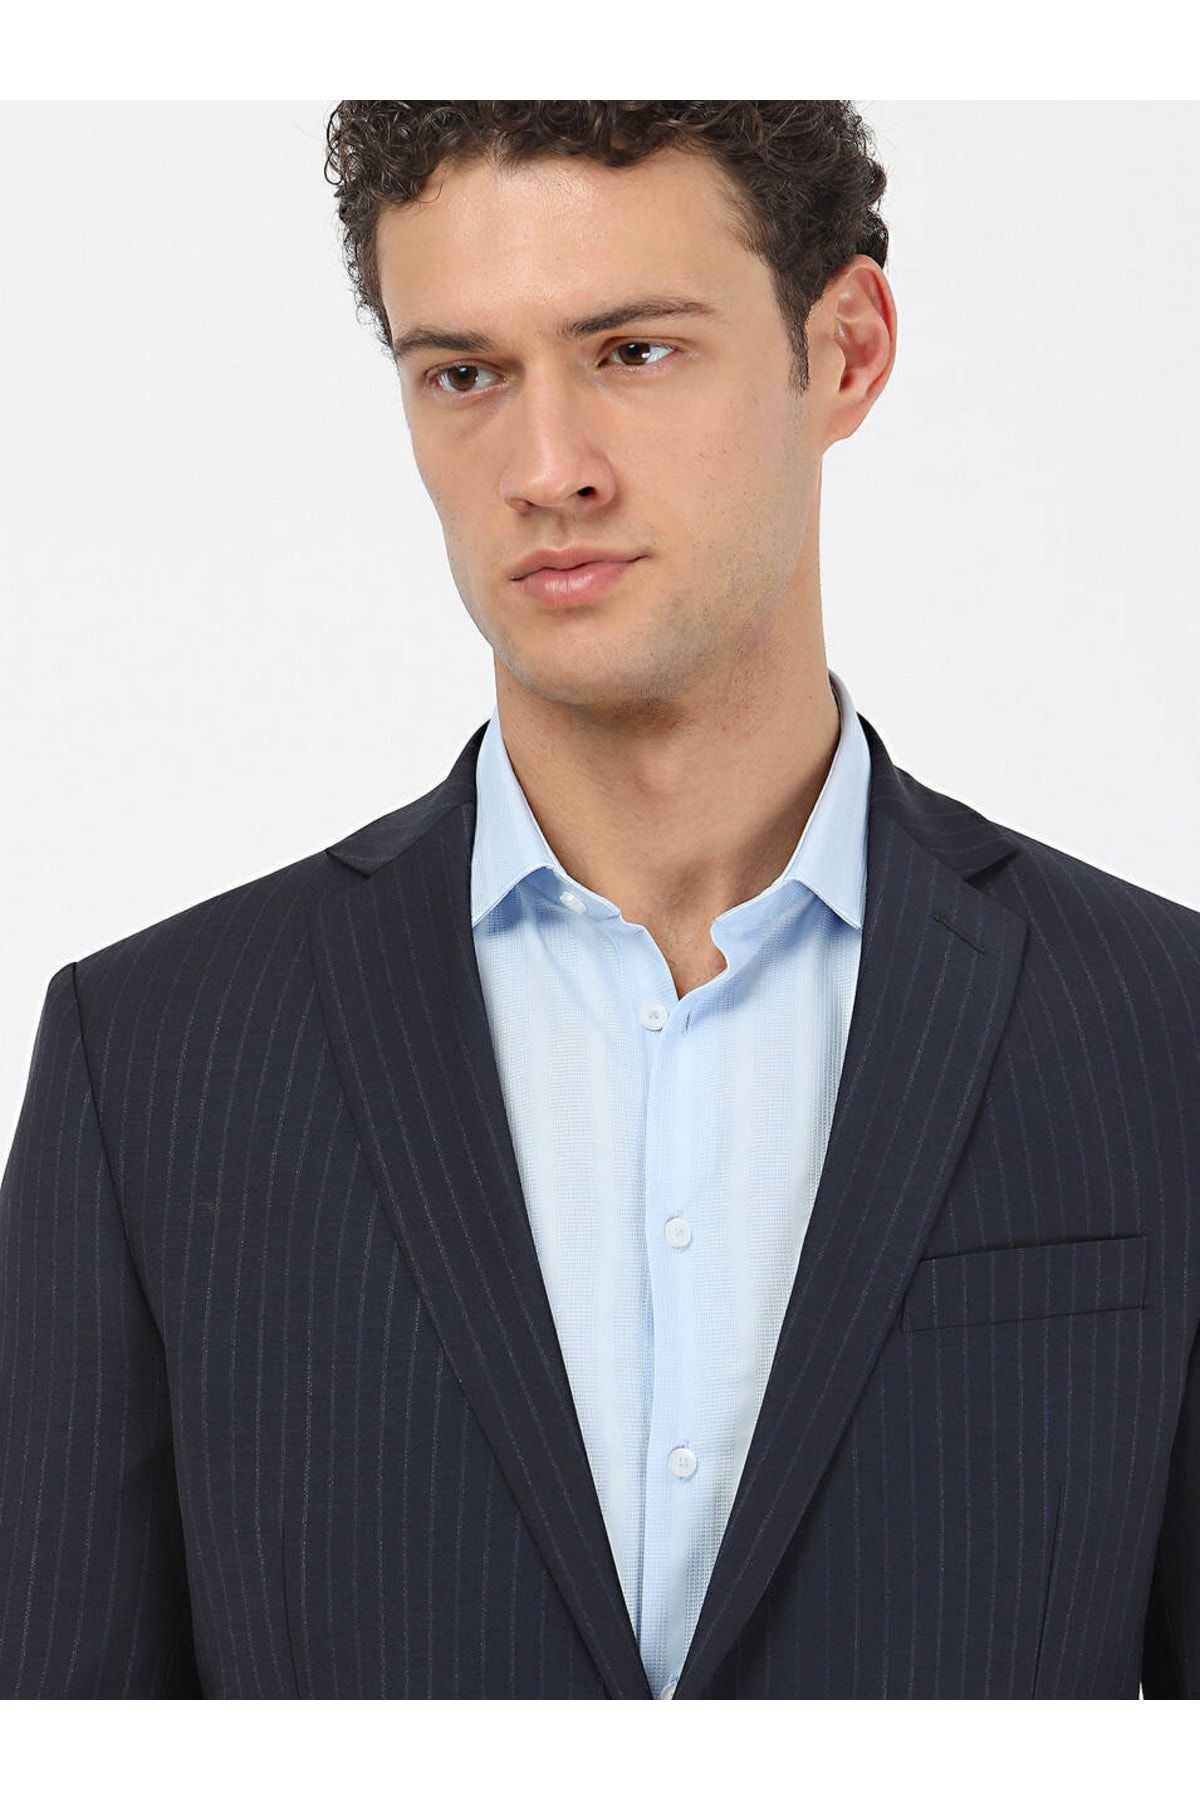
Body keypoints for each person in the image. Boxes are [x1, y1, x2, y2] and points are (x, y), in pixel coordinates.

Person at [1, 100, 1196, 1701]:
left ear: (845, 349)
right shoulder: (153, 1064)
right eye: (465, 375)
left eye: (633, 351)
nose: (544, 469)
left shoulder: (1158, 1032)